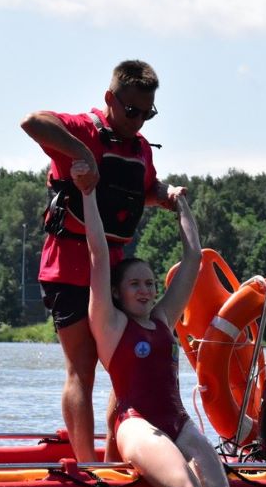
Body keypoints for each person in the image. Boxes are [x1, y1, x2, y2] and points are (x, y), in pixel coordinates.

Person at [21, 60, 186, 462]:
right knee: (83, 367)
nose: (139, 122)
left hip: (113, 269)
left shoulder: (140, 148)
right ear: (110, 99)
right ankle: (87, 467)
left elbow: (140, 190)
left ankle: (116, 459)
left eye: (147, 114)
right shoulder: (82, 130)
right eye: (131, 111)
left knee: (124, 365)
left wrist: (165, 195)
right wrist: (82, 155)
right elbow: (31, 122)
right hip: (67, 267)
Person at [78, 159, 229, 487]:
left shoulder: (163, 319)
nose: (146, 290)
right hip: (136, 423)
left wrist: (182, 207)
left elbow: (193, 257)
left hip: (175, 421)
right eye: (136, 285)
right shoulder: (110, 325)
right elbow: (98, 254)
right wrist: (89, 195)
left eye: (149, 283)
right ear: (118, 294)